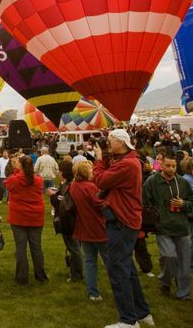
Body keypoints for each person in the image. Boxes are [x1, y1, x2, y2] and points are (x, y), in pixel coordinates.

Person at [93, 130, 154, 328]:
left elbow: (100, 180)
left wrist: (99, 159)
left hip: (121, 221)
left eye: (110, 141)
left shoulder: (127, 165)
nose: (108, 144)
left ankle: (128, 320)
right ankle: (143, 312)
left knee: (117, 269)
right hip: (127, 220)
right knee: (127, 268)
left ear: (120, 143)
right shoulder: (130, 161)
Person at [143, 156, 193, 301]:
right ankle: (165, 282)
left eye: (173, 166)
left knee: (184, 263)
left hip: (181, 227)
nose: (171, 169)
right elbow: (145, 203)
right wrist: (153, 218)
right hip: (163, 227)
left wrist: (183, 204)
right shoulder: (152, 182)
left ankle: (184, 293)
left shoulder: (183, 182)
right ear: (161, 165)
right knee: (168, 256)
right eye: (168, 165)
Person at [6, 154, 47, 284]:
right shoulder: (38, 180)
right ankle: (40, 275)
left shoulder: (15, 179)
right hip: (35, 217)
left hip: (18, 217)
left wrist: (17, 170)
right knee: (36, 247)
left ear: (21, 166)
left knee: (21, 248)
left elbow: (8, 183)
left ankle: (22, 277)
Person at [69, 160, 108, 301]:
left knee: (90, 260)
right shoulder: (90, 187)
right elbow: (100, 204)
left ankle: (93, 292)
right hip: (98, 228)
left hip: (83, 228)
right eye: (91, 170)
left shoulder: (73, 186)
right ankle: (120, 287)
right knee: (110, 260)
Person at [50, 158, 82, 284]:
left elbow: (63, 203)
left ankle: (77, 274)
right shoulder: (68, 184)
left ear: (63, 172)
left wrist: (53, 196)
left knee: (74, 248)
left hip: (69, 221)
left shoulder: (68, 186)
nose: (58, 173)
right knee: (74, 247)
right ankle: (75, 272)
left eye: (59, 170)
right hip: (72, 220)